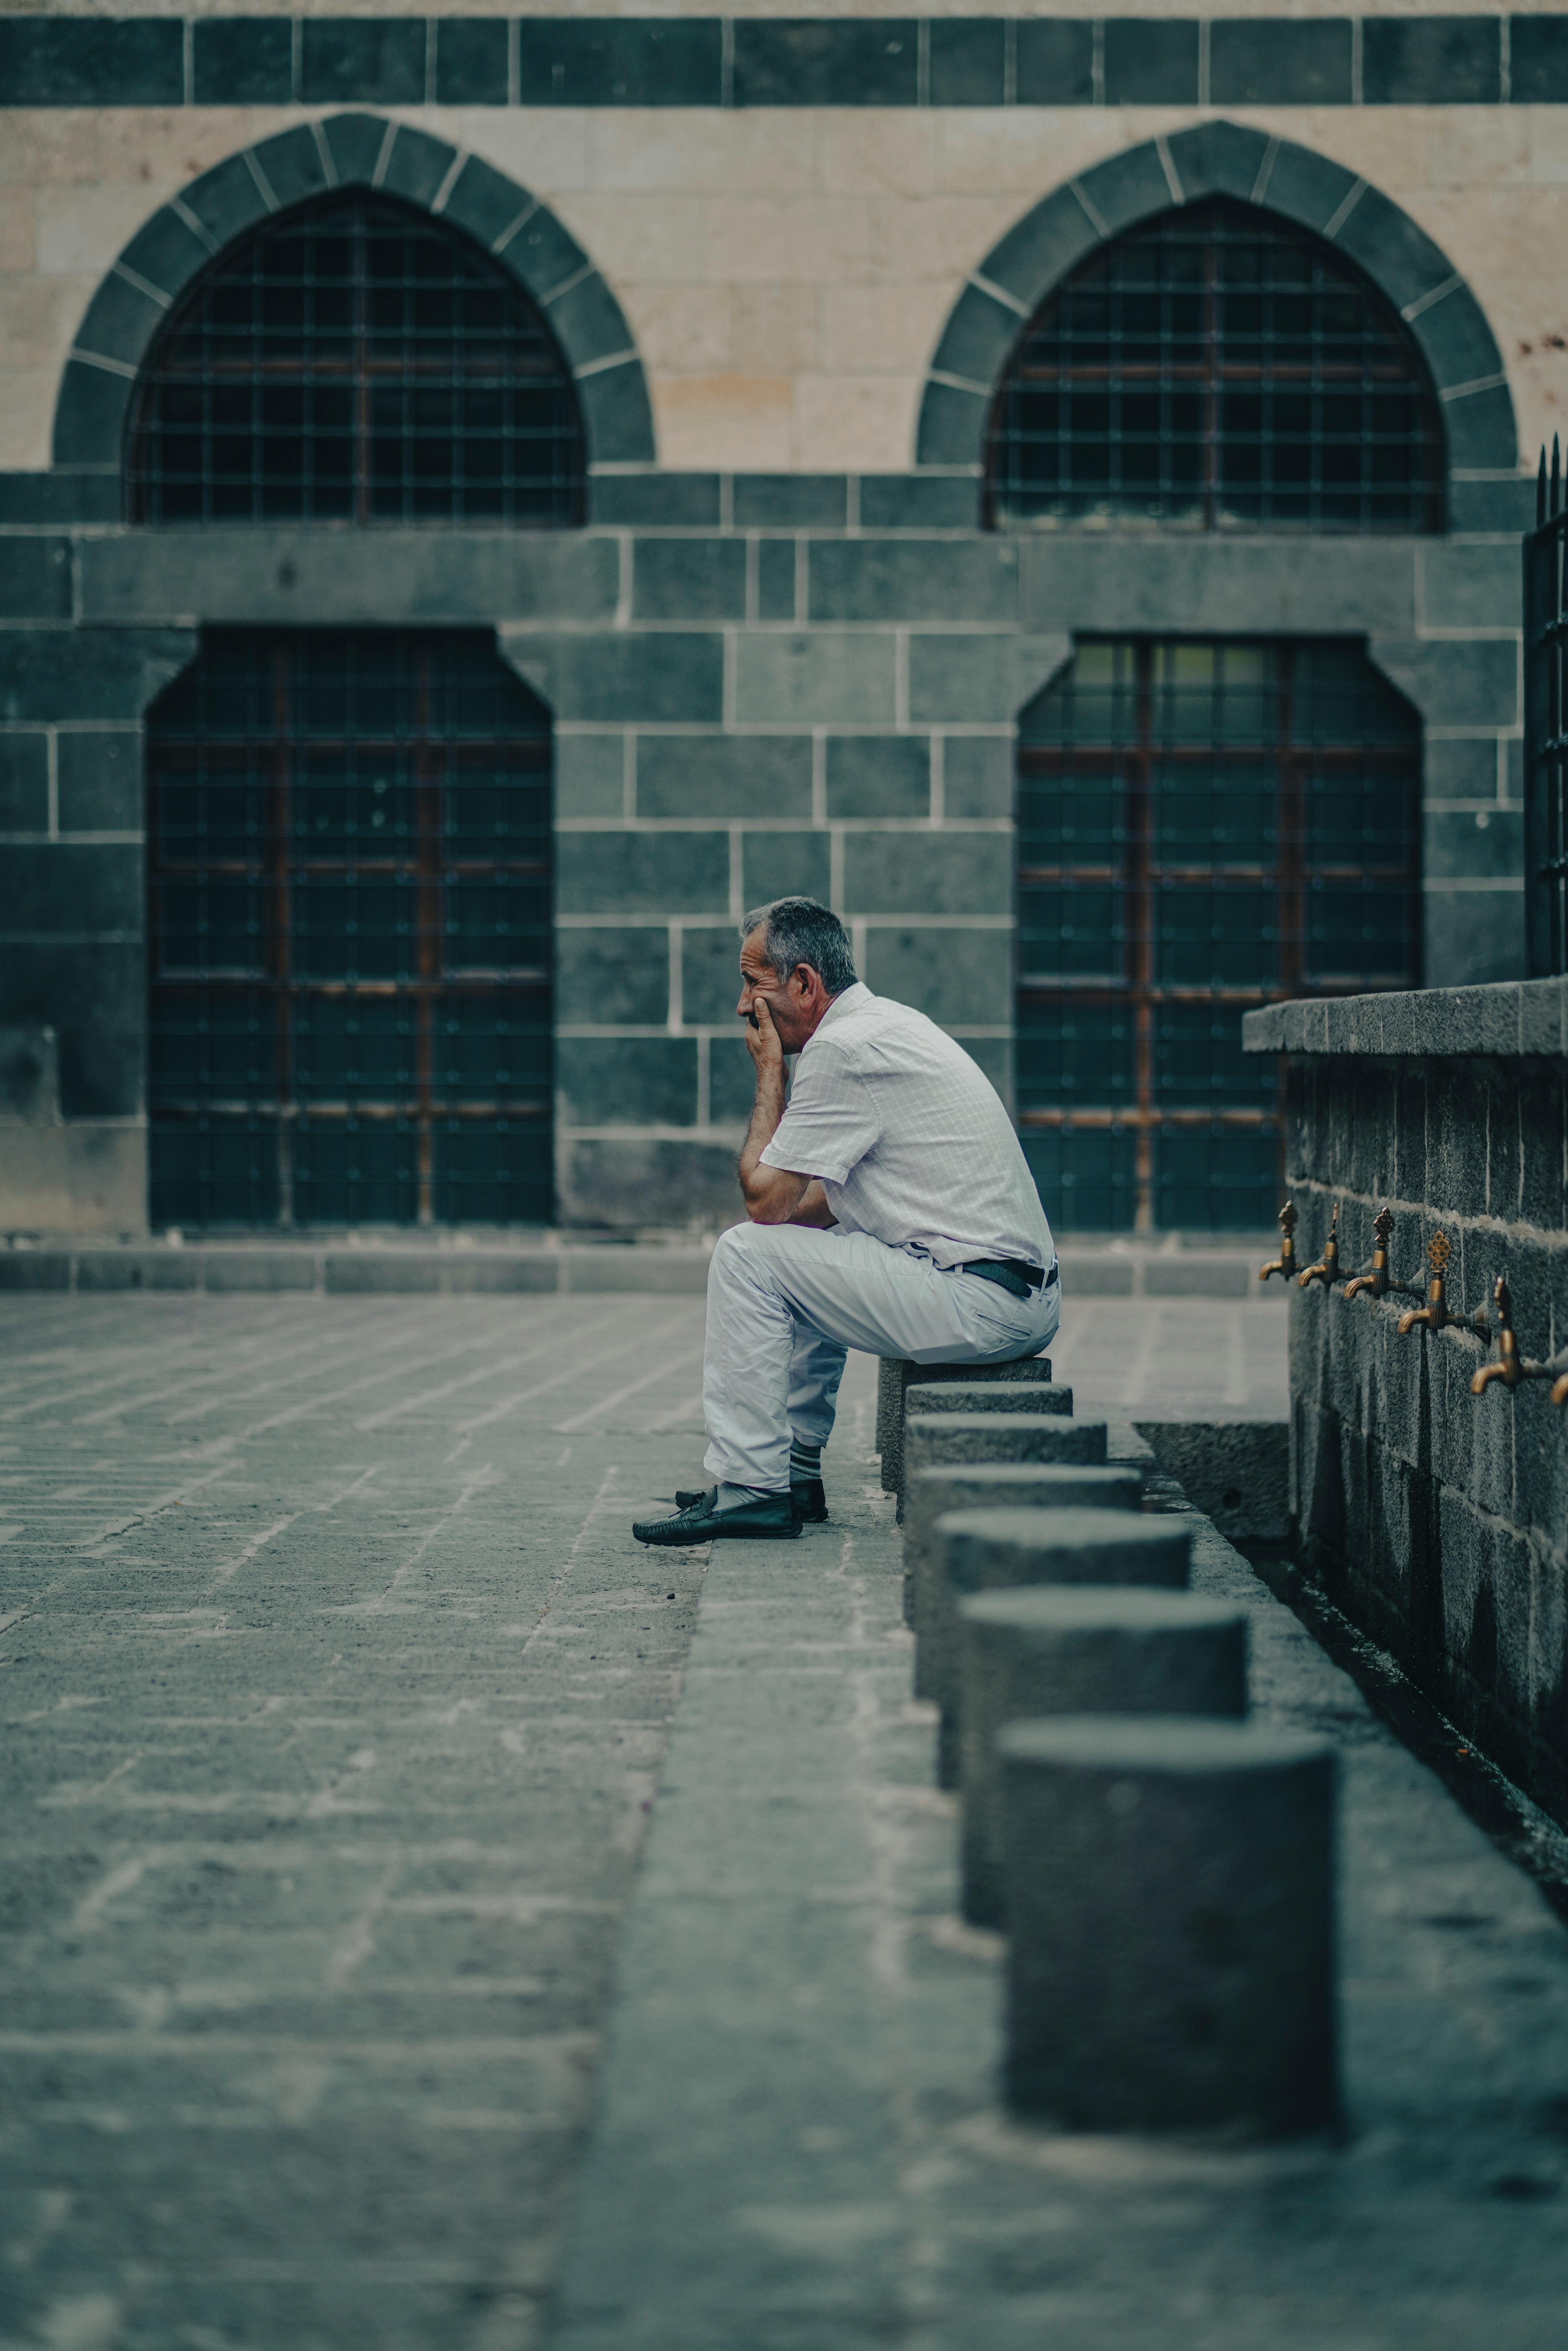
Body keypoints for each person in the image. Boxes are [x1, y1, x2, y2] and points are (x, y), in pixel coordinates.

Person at [632, 897, 1059, 1546]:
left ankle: (754, 1488)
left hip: (982, 1300)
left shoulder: (842, 1049)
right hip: (1010, 1293)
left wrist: (771, 1070)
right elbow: (814, 1205)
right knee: (789, 1245)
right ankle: (794, 1472)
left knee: (746, 1253)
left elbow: (765, 1201)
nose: (744, 1007)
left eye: (754, 983)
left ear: (804, 983)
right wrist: (780, 1223)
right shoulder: (884, 1024)